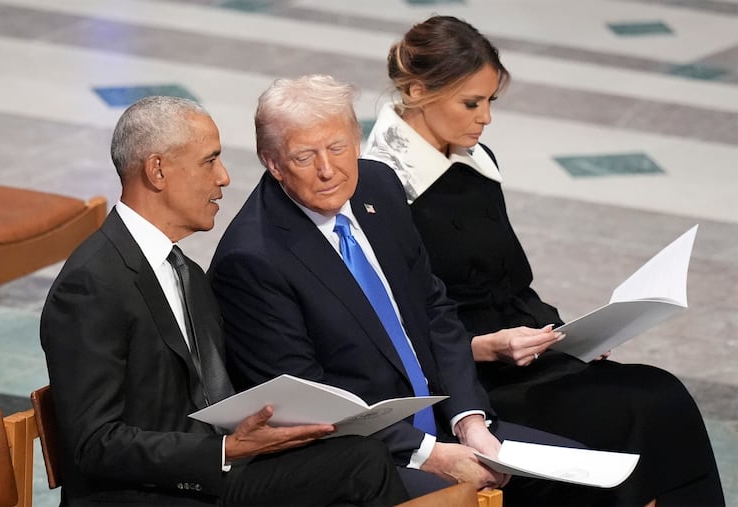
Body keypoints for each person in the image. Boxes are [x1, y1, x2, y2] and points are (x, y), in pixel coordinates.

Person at [209, 74, 628, 506]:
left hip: (447, 423)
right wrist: (430, 454)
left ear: (357, 139)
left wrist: (470, 421)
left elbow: (434, 310)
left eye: (337, 148)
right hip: (368, 454)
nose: (328, 170)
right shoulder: (252, 260)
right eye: (304, 156)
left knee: (588, 479)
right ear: (273, 163)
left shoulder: (378, 185)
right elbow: (309, 404)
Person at [362, 14, 725, 507]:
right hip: (466, 383)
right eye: (472, 102)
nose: (485, 117)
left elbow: (508, 282)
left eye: (490, 101)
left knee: (663, 392)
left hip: (527, 354)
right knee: (632, 409)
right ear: (421, 90)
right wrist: (485, 348)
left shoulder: (477, 162)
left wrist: (568, 332)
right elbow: (393, 330)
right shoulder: (381, 187)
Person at [39, 95, 409, 506]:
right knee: (361, 466)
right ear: (157, 170)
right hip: (147, 494)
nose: (225, 177)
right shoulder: (92, 284)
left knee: (361, 455)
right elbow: (94, 444)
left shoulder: (186, 273)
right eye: (209, 161)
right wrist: (224, 450)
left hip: (211, 476)